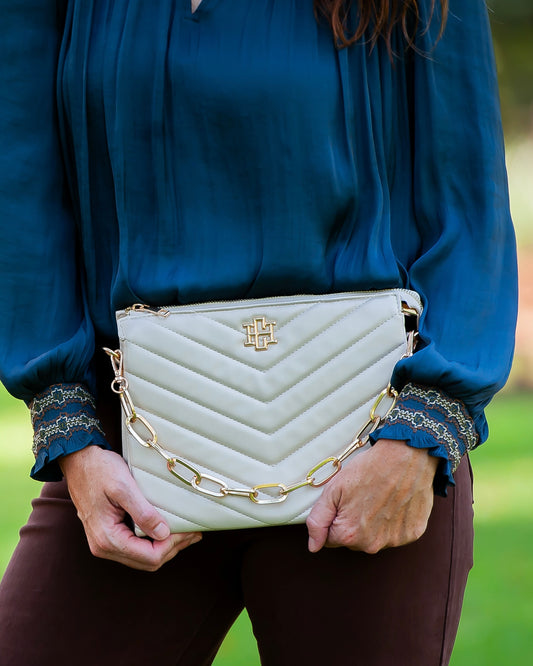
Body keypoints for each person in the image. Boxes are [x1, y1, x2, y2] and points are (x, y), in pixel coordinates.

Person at [0, 1, 517, 664]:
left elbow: (468, 199)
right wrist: (69, 433)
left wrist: (419, 436)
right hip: (126, 449)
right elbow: (21, 183)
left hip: (371, 445)